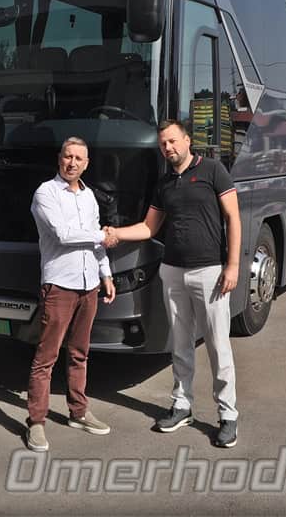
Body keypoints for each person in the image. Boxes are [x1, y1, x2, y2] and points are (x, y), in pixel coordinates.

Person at [105, 120, 241, 448]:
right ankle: (182, 406)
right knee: (180, 342)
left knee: (218, 345)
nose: (168, 147)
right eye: (163, 143)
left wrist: (233, 265)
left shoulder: (213, 170)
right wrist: (113, 233)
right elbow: (149, 228)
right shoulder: (165, 183)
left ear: (187, 140)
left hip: (210, 272)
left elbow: (233, 218)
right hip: (173, 271)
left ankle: (228, 415)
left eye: (173, 141)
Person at [26, 136, 117, 452]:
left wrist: (105, 274)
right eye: (68, 156)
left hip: (88, 285)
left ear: (86, 164)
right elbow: (63, 235)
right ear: (59, 158)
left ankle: (78, 412)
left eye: (79, 158)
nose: (72, 163)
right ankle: (36, 423)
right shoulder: (45, 193)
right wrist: (103, 235)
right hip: (59, 285)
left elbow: (95, 244)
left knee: (80, 353)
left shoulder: (89, 197)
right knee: (46, 357)